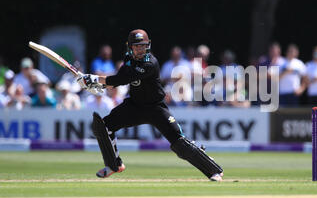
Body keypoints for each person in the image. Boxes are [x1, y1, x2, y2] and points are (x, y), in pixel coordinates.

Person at [76, 29, 223, 181]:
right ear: (130, 47)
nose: (140, 49)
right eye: (136, 46)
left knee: (180, 144)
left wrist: (94, 79)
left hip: (156, 109)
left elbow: (122, 79)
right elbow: (118, 79)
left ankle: (214, 171)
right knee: (103, 127)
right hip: (134, 107)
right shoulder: (128, 59)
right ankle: (114, 165)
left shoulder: (150, 63)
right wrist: (93, 84)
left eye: (143, 46)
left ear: (148, 46)